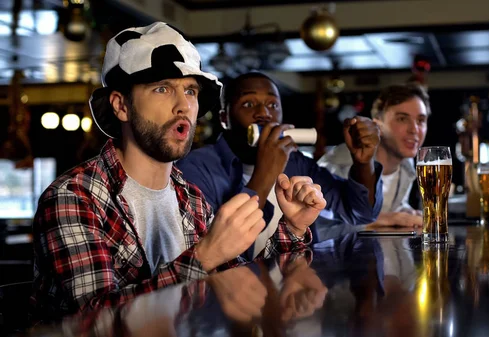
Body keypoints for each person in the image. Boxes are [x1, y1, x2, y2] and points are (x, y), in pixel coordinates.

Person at [30, 22, 325, 323]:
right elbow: (98, 321)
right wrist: (204, 257)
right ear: (121, 106)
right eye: (162, 88)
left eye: (191, 91)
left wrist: (293, 229)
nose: (183, 105)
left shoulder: (190, 198)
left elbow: (239, 286)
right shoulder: (74, 197)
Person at [176, 72, 383, 252]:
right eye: (248, 104)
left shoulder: (295, 162)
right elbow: (215, 254)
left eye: (272, 105)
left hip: (298, 288)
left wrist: (363, 163)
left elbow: (361, 213)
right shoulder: (195, 168)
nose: (264, 114)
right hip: (233, 291)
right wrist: (266, 172)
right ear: (224, 118)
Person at [318, 84, 430, 228]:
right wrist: (387, 219)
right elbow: (319, 224)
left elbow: (391, 207)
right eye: (402, 119)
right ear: (378, 125)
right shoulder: (338, 164)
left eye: (421, 121)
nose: (414, 130)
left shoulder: (407, 166)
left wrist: (404, 211)